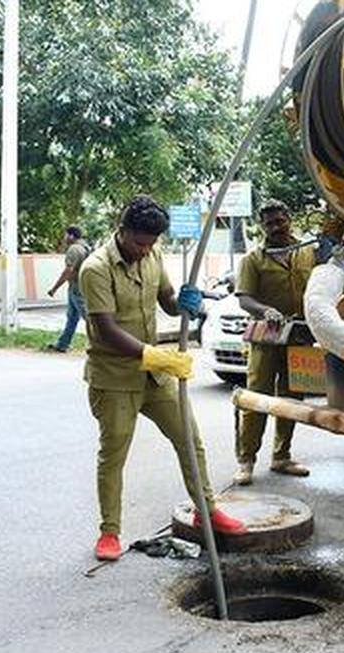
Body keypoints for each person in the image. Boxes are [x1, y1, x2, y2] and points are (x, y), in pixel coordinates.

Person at [78, 195, 246, 561]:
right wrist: (156, 356)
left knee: (189, 438)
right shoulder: (95, 268)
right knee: (113, 455)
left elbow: (167, 299)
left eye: (152, 244)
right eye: (139, 243)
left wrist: (188, 301)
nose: (145, 250)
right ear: (122, 232)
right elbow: (105, 330)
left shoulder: (152, 255)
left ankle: (207, 509)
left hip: (154, 377)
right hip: (114, 377)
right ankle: (109, 532)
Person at [233, 200, 315, 486]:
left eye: (280, 221)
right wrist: (265, 311)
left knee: (292, 398)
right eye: (269, 223)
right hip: (266, 339)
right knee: (257, 397)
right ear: (262, 226)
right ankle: (246, 460)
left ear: (289, 219)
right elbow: (244, 298)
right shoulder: (253, 259)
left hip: (301, 336)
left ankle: (282, 456)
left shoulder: (308, 251)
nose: (276, 227)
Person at [46, 226, 91, 352]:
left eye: (65, 235)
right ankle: (62, 344)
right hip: (80, 285)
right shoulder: (85, 247)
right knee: (72, 317)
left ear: (71, 236)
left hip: (77, 287)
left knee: (89, 318)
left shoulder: (74, 249)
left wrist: (54, 288)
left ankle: (102, 344)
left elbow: (68, 271)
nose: (64, 238)